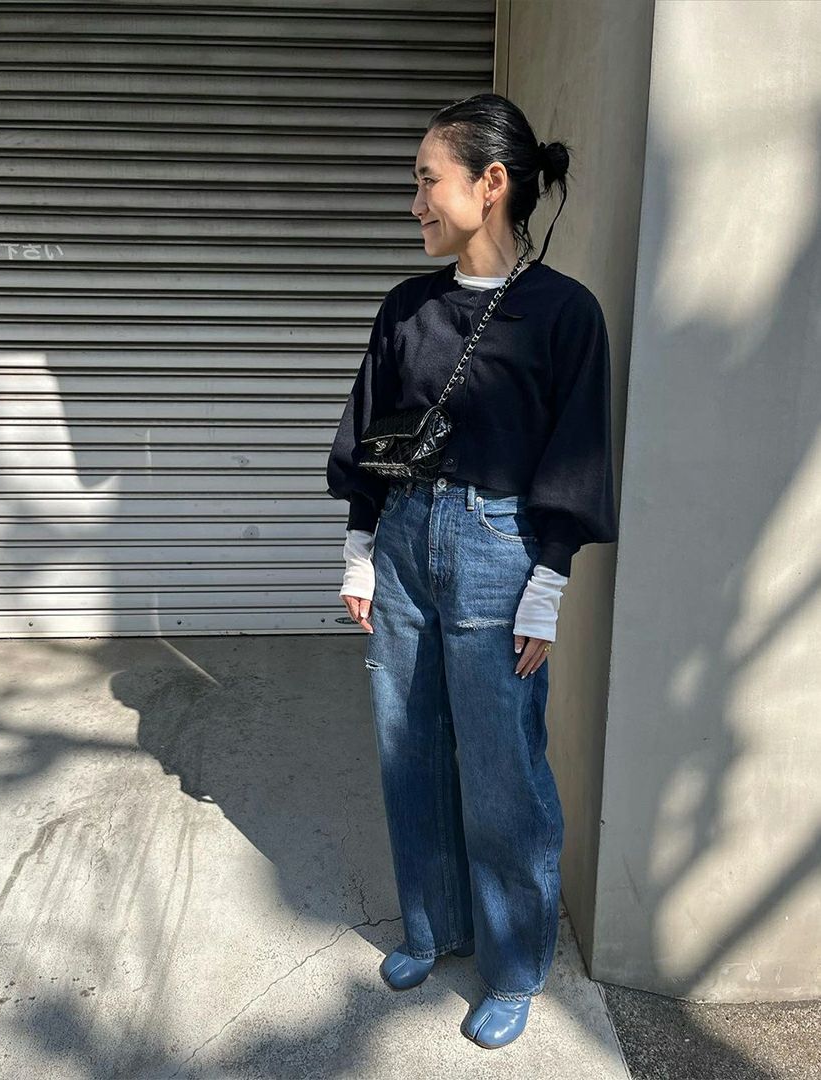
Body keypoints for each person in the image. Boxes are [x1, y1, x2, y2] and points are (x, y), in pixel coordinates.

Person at [325, 93, 618, 1050]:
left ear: (490, 184)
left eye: (427, 180)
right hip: (405, 538)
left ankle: (515, 964)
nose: (415, 201)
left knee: (502, 769)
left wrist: (550, 584)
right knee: (407, 747)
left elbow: (576, 453)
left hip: (501, 549)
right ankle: (433, 925)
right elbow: (372, 434)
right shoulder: (407, 307)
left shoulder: (564, 313)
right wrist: (361, 553)